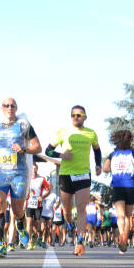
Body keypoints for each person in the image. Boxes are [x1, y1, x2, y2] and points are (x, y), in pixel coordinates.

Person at [0, 98, 41, 259]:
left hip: (19, 172)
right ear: (2, 108)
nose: (10, 108)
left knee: (18, 210)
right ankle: (0, 244)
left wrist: (24, 149)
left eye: (13, 105)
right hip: (0, 173)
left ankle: (20, 223)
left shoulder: (24, 126)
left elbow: (37, 147)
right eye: (6, 105)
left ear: (16, 108)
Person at [46, 105, 101, 257]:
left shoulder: (91, 133)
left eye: (79, 114)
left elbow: (97, 150)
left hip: (83, 174)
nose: (76, 117)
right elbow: (47, 150)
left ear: (85, 117)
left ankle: (80, 241)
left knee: (81, 209)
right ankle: (70, 224)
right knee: (67, 212)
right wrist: (61, 155)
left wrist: (98, 165)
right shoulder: (63, 132)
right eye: (73, 115)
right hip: (66, 174)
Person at [102, 129, 134, 254]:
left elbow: (105, 168)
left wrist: (114, 171)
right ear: (129, 140)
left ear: (116, 140)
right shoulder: (132, 153)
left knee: (120, 215)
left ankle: (121, 235)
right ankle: (125, 236)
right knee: (129, 216)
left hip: (118, 185)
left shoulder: (113, 154)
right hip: (130, 185)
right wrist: (132, 173)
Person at [24, 162, 50, 250]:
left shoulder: (42, 179)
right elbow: (24, 191)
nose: (34, 171)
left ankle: (36, 237)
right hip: (29, 204)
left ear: (37, 169)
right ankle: (30, 242)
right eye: (32, 169)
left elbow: (48, 190)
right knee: (29, 222)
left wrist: (42, 197)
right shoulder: (27, 179)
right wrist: (24, 201)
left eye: (35, 169)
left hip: (38, 205)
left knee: (37, 224)